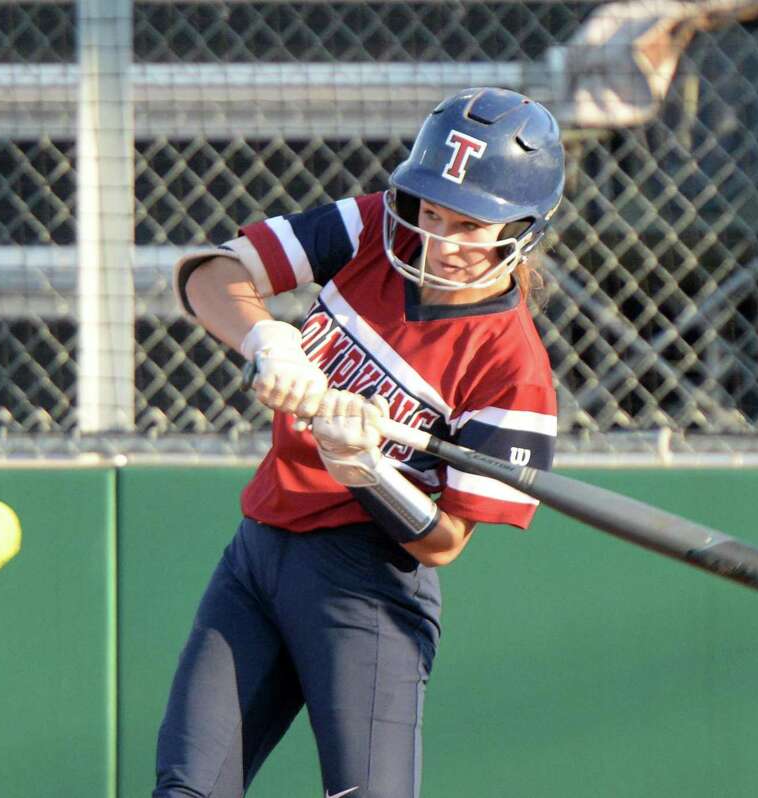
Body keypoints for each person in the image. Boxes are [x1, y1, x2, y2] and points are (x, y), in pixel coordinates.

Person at [156, 86, 564, 798]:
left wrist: (368, 471)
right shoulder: (376, 227)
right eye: (432, 210)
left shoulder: (513, 366)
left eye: (469, 226)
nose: (439, 240)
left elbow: (444, 542)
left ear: (522, 228)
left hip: (366, 588)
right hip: (257, 555)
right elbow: (209, 273)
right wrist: (268, 339)